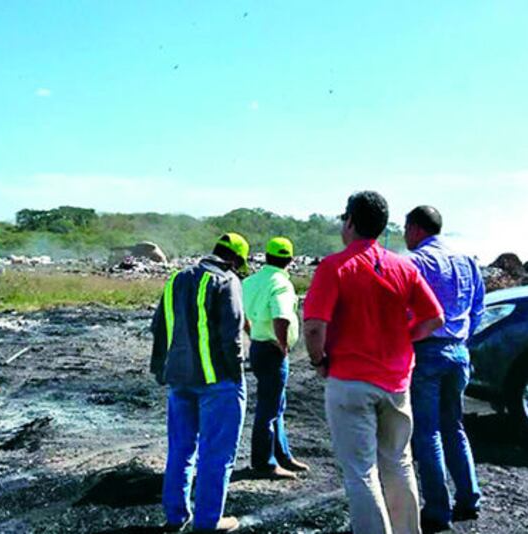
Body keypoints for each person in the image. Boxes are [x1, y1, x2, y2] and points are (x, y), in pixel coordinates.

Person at [302, 192, 444, 534]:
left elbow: (313, 326)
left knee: (361, 471)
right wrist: (403, 340)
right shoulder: (402, 266)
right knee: (399, 463)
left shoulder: (334, 266)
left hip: (350, 380)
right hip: (396, 383)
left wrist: (319, 360)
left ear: (350, 221)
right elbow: (434, 318)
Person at [150, 233, 250, 533]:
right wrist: (237, 374)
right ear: (234, 260)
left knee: (180, 449)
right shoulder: (227, 281)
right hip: (217, 383)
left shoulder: (176, 279)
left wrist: (160, 370)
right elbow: (231, 337)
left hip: (179, 381)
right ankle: (208, 522)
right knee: (216, 454)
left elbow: (159, 328)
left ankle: (176, 516)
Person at [404, 205, 484, 533]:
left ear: (417, 228)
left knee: (427, 432)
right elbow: (478, 308)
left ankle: (438, 509)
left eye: (407, 228)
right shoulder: (467, 261)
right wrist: (463, 340)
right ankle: (469, 497)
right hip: (459, 351)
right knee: (455, 427)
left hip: (427, 351)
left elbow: (407, 311)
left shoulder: (416, 262)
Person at [242, 237, 310, 479]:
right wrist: (282, 345)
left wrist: (254, 335)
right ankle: (265, 463)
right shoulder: (281, 284)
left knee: (275, 405)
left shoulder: (250, 282)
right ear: (290, 260)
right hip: (272, 351)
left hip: (259, 346)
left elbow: (242, 315)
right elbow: (281, 317)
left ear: (266, 256)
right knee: (269, 409)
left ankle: (282, 455)